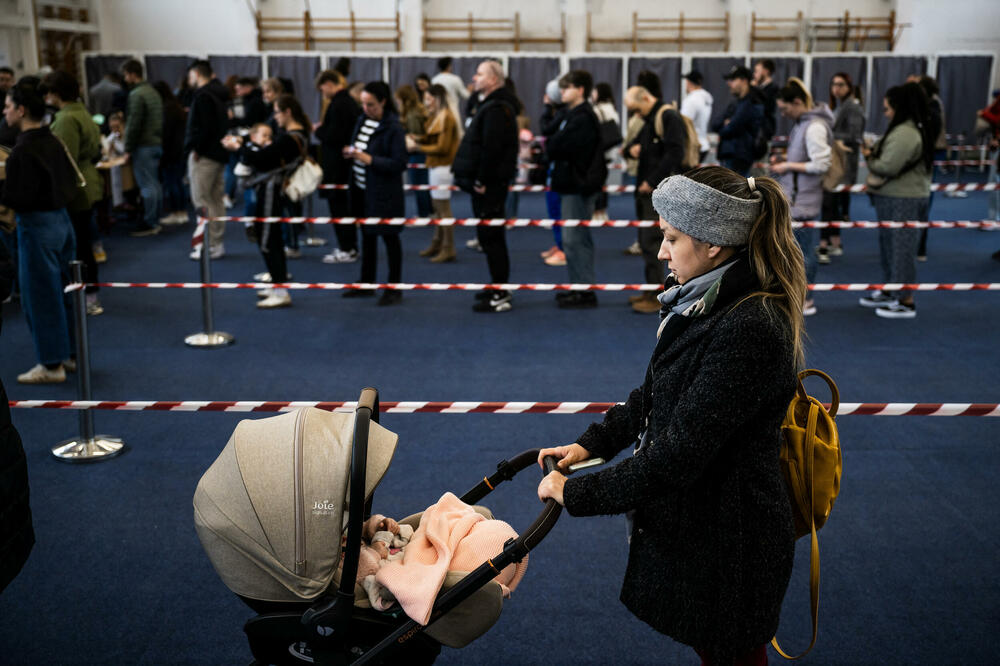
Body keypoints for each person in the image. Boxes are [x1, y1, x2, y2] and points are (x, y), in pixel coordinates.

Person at [537, 166, 804, 666]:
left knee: (732, 655)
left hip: (733, 540)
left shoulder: (748, 324)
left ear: (715, 245)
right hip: (709, 526)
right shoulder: (706, 300)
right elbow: (657, 392)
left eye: (671, 238)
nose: (661, 252)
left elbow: (680, 453)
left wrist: (577, 492)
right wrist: (594, 443)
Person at [1, 80, 78, 384]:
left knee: (40, 297)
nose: (4, 111)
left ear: (21, 110)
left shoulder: (23, 149)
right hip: (62, 222)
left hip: (36, 226)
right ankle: (69, 353)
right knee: (65, 292)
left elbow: (16, 197)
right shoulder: (53, 139)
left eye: (7, 106)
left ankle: (51, 364)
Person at [223, 96, 312, 309]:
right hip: (271, 190)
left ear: (288, 112)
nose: (275, 117)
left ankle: (281, 290)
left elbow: (260, 159)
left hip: (272, 191)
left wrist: (240, 148)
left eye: (277, 112)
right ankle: (276, 284)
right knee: (270, 239)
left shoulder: (291, 138)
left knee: (269, 240)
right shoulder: (295, 136)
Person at [858, 82, 934, 319]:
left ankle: (906, 300)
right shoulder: (904, 129)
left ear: (899, 107)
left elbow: (887, 165)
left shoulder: (906, 133)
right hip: (894, 196)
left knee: (902, 248)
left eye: (887, 109)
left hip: (904, 197)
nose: (886, 113)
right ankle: (893, 290)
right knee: (891, 247)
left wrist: (870, 157)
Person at [451, 60, 519, 313]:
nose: (474, 77)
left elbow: (492, 150)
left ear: (492, 79)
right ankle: (496, 285)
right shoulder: (488, 105)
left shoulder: (497, 108)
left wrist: (481, 180)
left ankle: (501, 292)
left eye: (479, 74)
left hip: (489, 186)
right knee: (488, 238)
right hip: (486, 184)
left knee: (493, 238)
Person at [42, 70, 105, 317]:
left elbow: (63, 159)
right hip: (86, 183)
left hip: (76, 188)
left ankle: (88, 297)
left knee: (79, 247)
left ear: (55, 94)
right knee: (83, 244)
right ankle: (90, 295)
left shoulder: (67, 118)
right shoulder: (80, 112)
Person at [770, 78, 834, 317]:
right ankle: (798, 296)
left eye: (786, 109)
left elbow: (821, 164)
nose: (784, 114)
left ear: (797, 102)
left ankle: (806, 299)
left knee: (803, 253)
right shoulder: (802, 124)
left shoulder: (814, 126)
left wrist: (788, 165)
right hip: (796, 198)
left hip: (804, 201)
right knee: (795, 251)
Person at [623, 85, 690, 315]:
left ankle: (657, 295)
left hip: (660, 191)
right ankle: (651, 290)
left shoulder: (667, 116)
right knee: (647, 243)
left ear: (645, 97)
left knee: (653, 243)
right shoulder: (652, 118)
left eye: (636, 109)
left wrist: (651, 181)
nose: (636, 115)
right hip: (649, 191)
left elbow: (675, 153)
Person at [343, 81, 407, 307]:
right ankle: (367, 283)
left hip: (384, 193)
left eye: (371, 104)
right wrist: (351, 153)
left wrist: (369, 160)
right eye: (363, 104)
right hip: (362, 189)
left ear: (383, 102)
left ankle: (394, 287)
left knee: (390, 239)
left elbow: (399, 163)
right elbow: (358, 147)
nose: (366, 108)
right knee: (367, 237)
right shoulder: (362, 120)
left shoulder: (394, 127)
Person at [546, 70, 606, 309]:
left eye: (567, 87)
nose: (562, 91)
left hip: (578, 186)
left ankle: (584, 292)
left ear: (580, 89)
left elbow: (559, 146)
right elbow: (553, 138)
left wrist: (553, 144)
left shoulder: (582, 117)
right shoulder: (570, 114)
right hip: (572, 184)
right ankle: (579, 287)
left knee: (575, 240)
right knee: (574, 239)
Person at [314, 69, 362, 264]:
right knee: (342, 208)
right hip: (342, 166)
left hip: (338, 168)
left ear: (328, 84)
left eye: (321, 88)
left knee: (340, 209)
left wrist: (319, 131)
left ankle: (348, 248)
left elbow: (334, 136)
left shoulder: (339, 104)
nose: (322, 93)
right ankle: (347, 246)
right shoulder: (345, 102)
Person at [409, 83, 460, 263]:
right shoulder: (438, 116)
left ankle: (449, 248)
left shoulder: (446, 117)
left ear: (438, 99)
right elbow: (432, 137)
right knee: (438, 209)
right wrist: (418, 138)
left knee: (443, 210)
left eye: (429, 99)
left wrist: (417, 146)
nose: (426, 103)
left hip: (443, 166)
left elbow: (442, 147)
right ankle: (437, 243)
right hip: (436, 166)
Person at [184, 60, 229, 260]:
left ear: (196, 73)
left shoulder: (203, 96)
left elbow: (204, 128)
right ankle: (216, 242)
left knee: (202, 199)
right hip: (218, 152)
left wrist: (196, 148)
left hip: (205, 155)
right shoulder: (219, 93)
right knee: (215, 199)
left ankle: (208, 243)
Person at [819, 72, 865, 264]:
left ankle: (825, 246)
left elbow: (855, 136)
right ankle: (834, 243)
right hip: (839, 163)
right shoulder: (841, 106)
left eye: (840, 84)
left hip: (843, 164)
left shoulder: (852, 107)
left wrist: (831, 136)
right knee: (832, 204)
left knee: (829, 203)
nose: (836, 88)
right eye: (833, 84)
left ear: (849, 86)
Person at [120, 59, 164, 237]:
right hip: (155, 143)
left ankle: (150, 222)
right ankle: (154, 219)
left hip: (144, 145)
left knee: (147, 186)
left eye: (125, 75)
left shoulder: (137, 94)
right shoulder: (152, 92)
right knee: (154, 184)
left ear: (131, 74)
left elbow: (134, 123)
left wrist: (128, 147)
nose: (125, 78)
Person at [712, 66, 764, 177]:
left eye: (733, 80)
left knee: (736, 191)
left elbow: (732, 128)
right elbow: (716, 124)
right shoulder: (736, 104)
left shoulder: (751, 103)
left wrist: (728, 124)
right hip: (729, 154)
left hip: (740, 155)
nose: (730, 84)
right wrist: (726, 124)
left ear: (744, 80)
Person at [539, 78, 567, 266]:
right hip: (554, 167)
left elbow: (547, 129)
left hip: (560, 169)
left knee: (558, 209)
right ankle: (560, 244)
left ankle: (564, 248)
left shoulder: (564, 113)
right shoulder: (558, 113)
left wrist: (549, 107)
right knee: (553, 207)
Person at [153, 81, 189, 225]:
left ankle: (176, 212)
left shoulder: (167, 109)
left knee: (172, 182)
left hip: (171, 151)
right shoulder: (176, 106)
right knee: (178, 182)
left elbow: (166, 133)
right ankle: (182, 212)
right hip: (180, 149)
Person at [396, 84, 432, 220]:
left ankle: (423, 215)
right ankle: (428, 211)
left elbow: (417, 134)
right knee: (424, 184)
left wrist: (411, 137)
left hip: (417, 151)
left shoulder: (412, 114)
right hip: (422, 151)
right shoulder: (419, 109)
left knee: (419, 185)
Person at [592, 82, 621, 222]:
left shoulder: (598, 109)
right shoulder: (613, 108)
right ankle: (603, 212)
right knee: (602, 182)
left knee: (596, 183)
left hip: (600, 151)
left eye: (595, 91)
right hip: (610, 151)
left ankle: (597, 212)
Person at [680, 71, 713, 164]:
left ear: (689, 83)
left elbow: (684, 122)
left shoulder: (691, 100)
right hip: (703, 144)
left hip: (693, 146)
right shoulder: (706, 99)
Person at [432, 56, 470, 122]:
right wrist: (470, 90)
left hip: (438, 112)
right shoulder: (455, 79)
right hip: (453, 111)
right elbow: (466, 95)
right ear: (448, 66)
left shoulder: (434, 80)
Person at [753, 58, 779, 145]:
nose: (754, 75)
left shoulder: (773, 88)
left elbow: (766, 107)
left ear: (765, 71)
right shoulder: (759, 88)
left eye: (757, 71)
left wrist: (754, 90)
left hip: (764, 129)